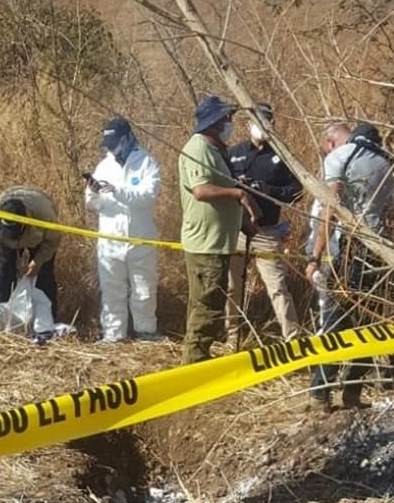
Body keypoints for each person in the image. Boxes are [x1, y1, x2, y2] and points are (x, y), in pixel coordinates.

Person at [305, 121, 394, 412]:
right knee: (368, 326)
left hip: (352, 249)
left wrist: (315, 256)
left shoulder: (341, 158)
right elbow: (392, 215)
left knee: (334, 321)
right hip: (380, 253)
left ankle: (320, 394)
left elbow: (328, 210)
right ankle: (352, 393)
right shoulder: (387, 164)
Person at [179, 95, 261, 364]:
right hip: (206, 244)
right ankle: (194, 366)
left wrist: (242, 222)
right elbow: (201, 190)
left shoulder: (215, 150)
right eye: (226, 118)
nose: (230, 123)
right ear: (213, 122)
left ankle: (197, 358)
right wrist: (237, 194)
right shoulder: (198, 148)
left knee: (206, 305)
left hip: (218, 241)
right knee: (207, 310)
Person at [226, 103, 303, 344]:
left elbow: (296, 191)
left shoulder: (281, 156)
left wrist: (267, 189)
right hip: (237, 229)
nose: (261, 125)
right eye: (257, 121)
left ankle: (293, 338)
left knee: (278, 287)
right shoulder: (235, 153)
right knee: (231, 286)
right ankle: (232, 338)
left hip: (267, 232)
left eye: (266, 121)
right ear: (248, 124)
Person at [85, 116, 162, 343]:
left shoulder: (146, 162)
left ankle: (146, 331)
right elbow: (92, 203)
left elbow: (148, 195)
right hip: (109, 239)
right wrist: (95, 193)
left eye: (115, 142)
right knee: (111, 289)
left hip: (140, 238)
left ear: (127, 138)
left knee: (144, 287)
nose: (112, 149)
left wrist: (118, 191)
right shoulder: (104, 166)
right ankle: (113, 334)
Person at [0, 186, 61, 317]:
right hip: (7, 242)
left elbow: (52, 242)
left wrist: (37, 262)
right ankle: (1, 317)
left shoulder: (45, 215)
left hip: (38, 239)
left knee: (44, 278)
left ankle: (46, 321)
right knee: (4, 274)